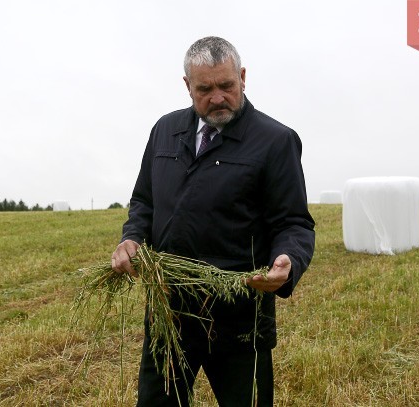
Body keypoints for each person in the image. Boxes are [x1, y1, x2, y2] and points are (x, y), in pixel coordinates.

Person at [111, 36, 315, 407]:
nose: (218, 97)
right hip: (168, 312)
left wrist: (288, 259)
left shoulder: (275, 141)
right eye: (205, 89)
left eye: (227, 86)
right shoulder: (164, 131)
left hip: (239, 319)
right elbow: (143, 202)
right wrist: (133, 238)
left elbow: (295, 223)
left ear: (243, 77)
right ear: (188, 86)